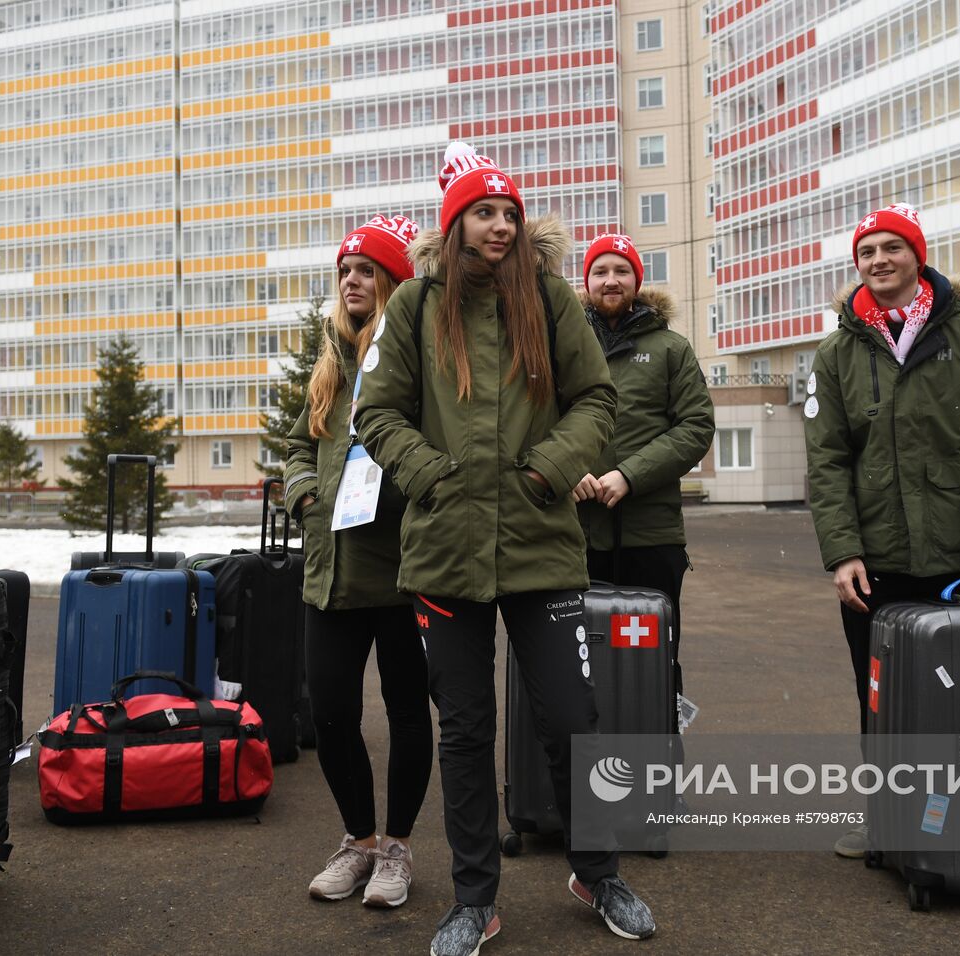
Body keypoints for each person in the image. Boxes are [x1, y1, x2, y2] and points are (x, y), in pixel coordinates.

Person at [354, 143, 656, 956]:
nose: (499, 225)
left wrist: (550, 469)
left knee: (572, 717)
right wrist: (428, 474)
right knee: (464, 729)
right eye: (483, 213)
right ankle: (474, 899)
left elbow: (596, 399)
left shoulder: (549, 300)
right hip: (446, 551)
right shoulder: (415, 307)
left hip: (539, 541)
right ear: (454, 224)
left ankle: (598, 872)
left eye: (510, 214)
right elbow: (375, 412)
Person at [803, 202, 960, 858]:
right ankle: (890, 826)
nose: (878, 260)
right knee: (884, 701)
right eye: (866, 251)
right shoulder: (837, 352)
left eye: (891, 247)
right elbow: (828, 461)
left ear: (917, 255)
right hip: (877, 562)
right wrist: (842, 552)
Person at [284, 214, 433, 908]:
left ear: (394, 282)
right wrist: (305, 495)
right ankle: (359, 841)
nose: (351, 280)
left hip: (402, 571)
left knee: (407, 714)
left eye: (366, 270)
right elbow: (297, 445)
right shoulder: (331, 366)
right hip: (331, 572)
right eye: (345, 270)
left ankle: (396, 849)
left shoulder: (415, 360)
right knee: (333, 714)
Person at [574, 233, 715, 724]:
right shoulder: (564, 345)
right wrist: (568, 471)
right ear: (587, 282)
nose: (611, 280)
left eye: (622, 271)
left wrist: (628, 476)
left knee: (653, 660)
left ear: (637, 280)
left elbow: (696, 427)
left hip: (651, 539)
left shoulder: (670, 349)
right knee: (580, 664)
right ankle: (586, 764)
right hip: (575, 537)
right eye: (600, 271)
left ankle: (659, 759)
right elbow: (535, 422)